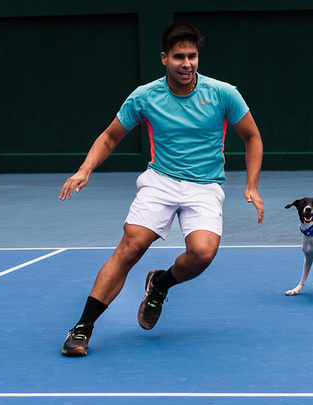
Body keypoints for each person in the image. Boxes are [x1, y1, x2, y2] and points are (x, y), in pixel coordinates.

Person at [58, 22, 263, 357]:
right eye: (179, 56)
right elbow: (110, 136)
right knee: (130, 247)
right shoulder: (145, 96)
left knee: (202, 254)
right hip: (161, 181)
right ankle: (83, 327)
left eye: (192, 56)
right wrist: (85, 170)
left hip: (205, 185)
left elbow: (252, 136)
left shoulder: (224, 93)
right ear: (164, 58)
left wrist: (252, 185)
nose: (187, 63)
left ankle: (160, 284)